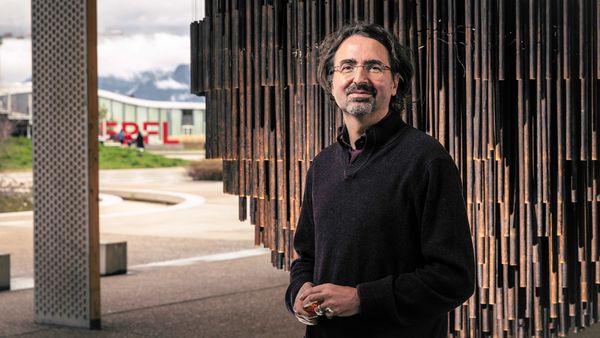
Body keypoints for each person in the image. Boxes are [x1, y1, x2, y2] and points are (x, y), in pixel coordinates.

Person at [284, 23, 475, 337]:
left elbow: (454, 277)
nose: (359, 78)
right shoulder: (322, 165)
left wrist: (362, 298)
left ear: (395, 83)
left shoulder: (427, 160)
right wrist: (298, 292)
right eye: (347, 67)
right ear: (331, 81)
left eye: (374, 67)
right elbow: (306, 255)